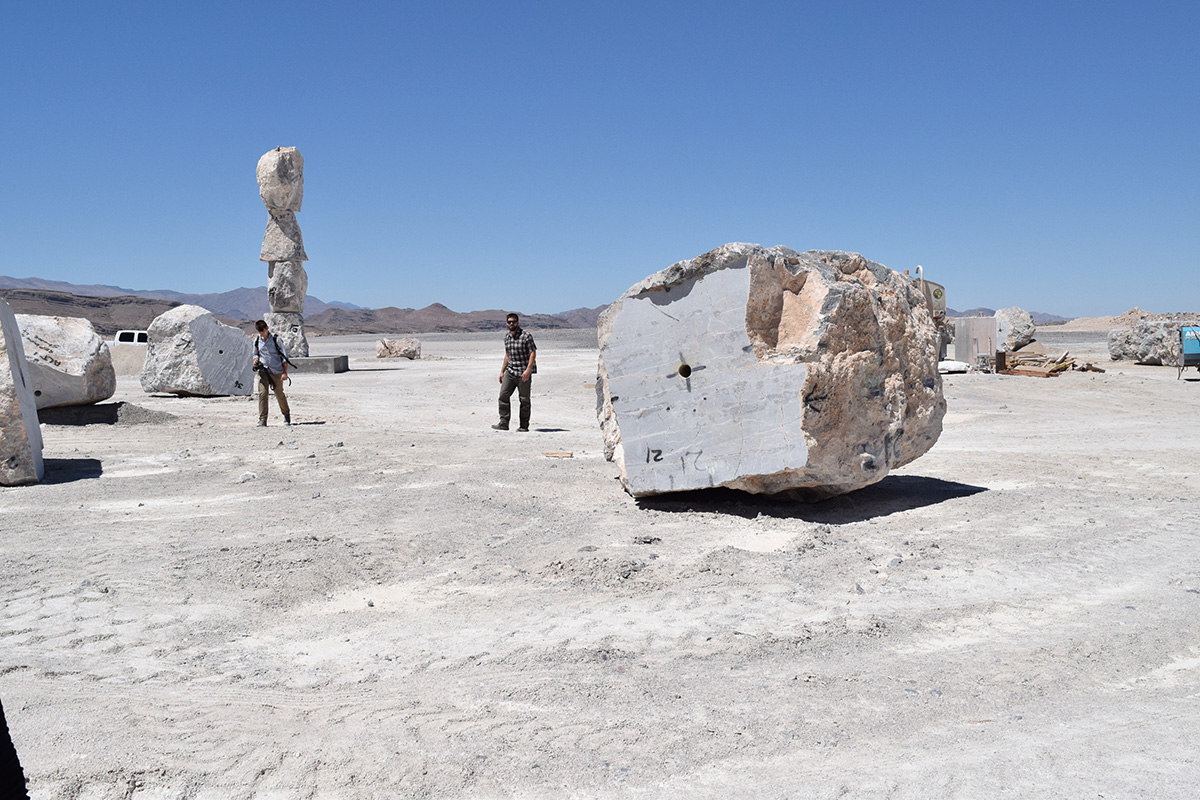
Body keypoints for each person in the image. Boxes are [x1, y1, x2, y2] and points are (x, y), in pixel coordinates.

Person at [492, 312, 536, 432]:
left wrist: (528, 370)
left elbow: (532, 353)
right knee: (503, 396)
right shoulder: (507, 337)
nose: (511, 324)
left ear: (518, 322)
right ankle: (504, 423)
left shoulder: (526, 336)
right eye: (509, 322)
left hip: (523, 373)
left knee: (524, 399)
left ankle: (524, 426)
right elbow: (507, 355)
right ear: (507, 323)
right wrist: (502, 371)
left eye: (514, 322)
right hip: (510, 371)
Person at [252, 319, 291, 427]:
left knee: (279, 394)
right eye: (259, 332)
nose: (262, 333)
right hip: (263, 371)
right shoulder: (257, 341)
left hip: (276, 371)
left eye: (263, 331)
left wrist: (284, 372)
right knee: (263, 394)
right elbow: (255, 354)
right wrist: (255, 360)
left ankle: (286, 415)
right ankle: (262, 419)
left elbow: (284, 357)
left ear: (267, 328)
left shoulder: (276, 339)